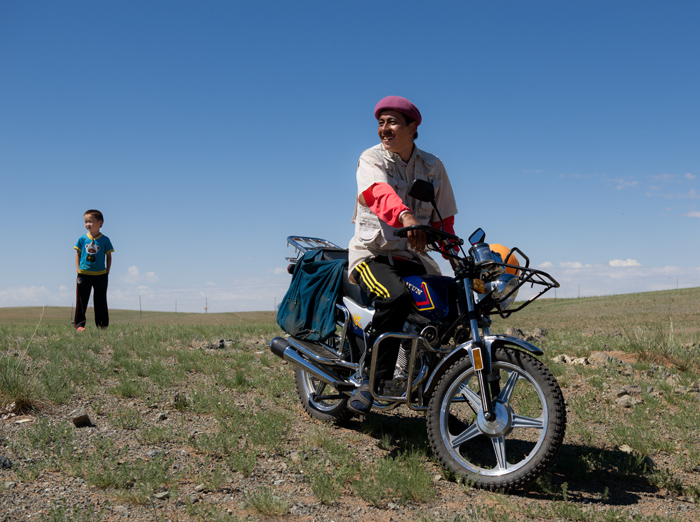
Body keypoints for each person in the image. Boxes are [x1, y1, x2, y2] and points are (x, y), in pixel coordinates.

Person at [347, 95, 458, 415]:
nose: (384, 128)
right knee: (395, 298)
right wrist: (408, 219)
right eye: (380, 122)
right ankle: (370, 382)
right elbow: (377, 194)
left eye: (392, 121)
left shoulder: (433, 166)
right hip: (372, 255)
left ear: (413, 127)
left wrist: (458, 258)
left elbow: (443, 221)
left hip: (412, 259)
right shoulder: (372, 159)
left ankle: (430, 382)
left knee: (448, 303)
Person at [73, 209, 114, 330]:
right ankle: (79, 326)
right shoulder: (82, 239)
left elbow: (109, 256)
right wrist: (78, 270)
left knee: (100, 300)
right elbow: (78, 255)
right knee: (81, 300)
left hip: (101, 274)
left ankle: (102, 325)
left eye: (90, 221)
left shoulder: (105, 239)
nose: (87, 224)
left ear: (100, 223)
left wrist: (107, 272)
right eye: (86, 221)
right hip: (83, 274)